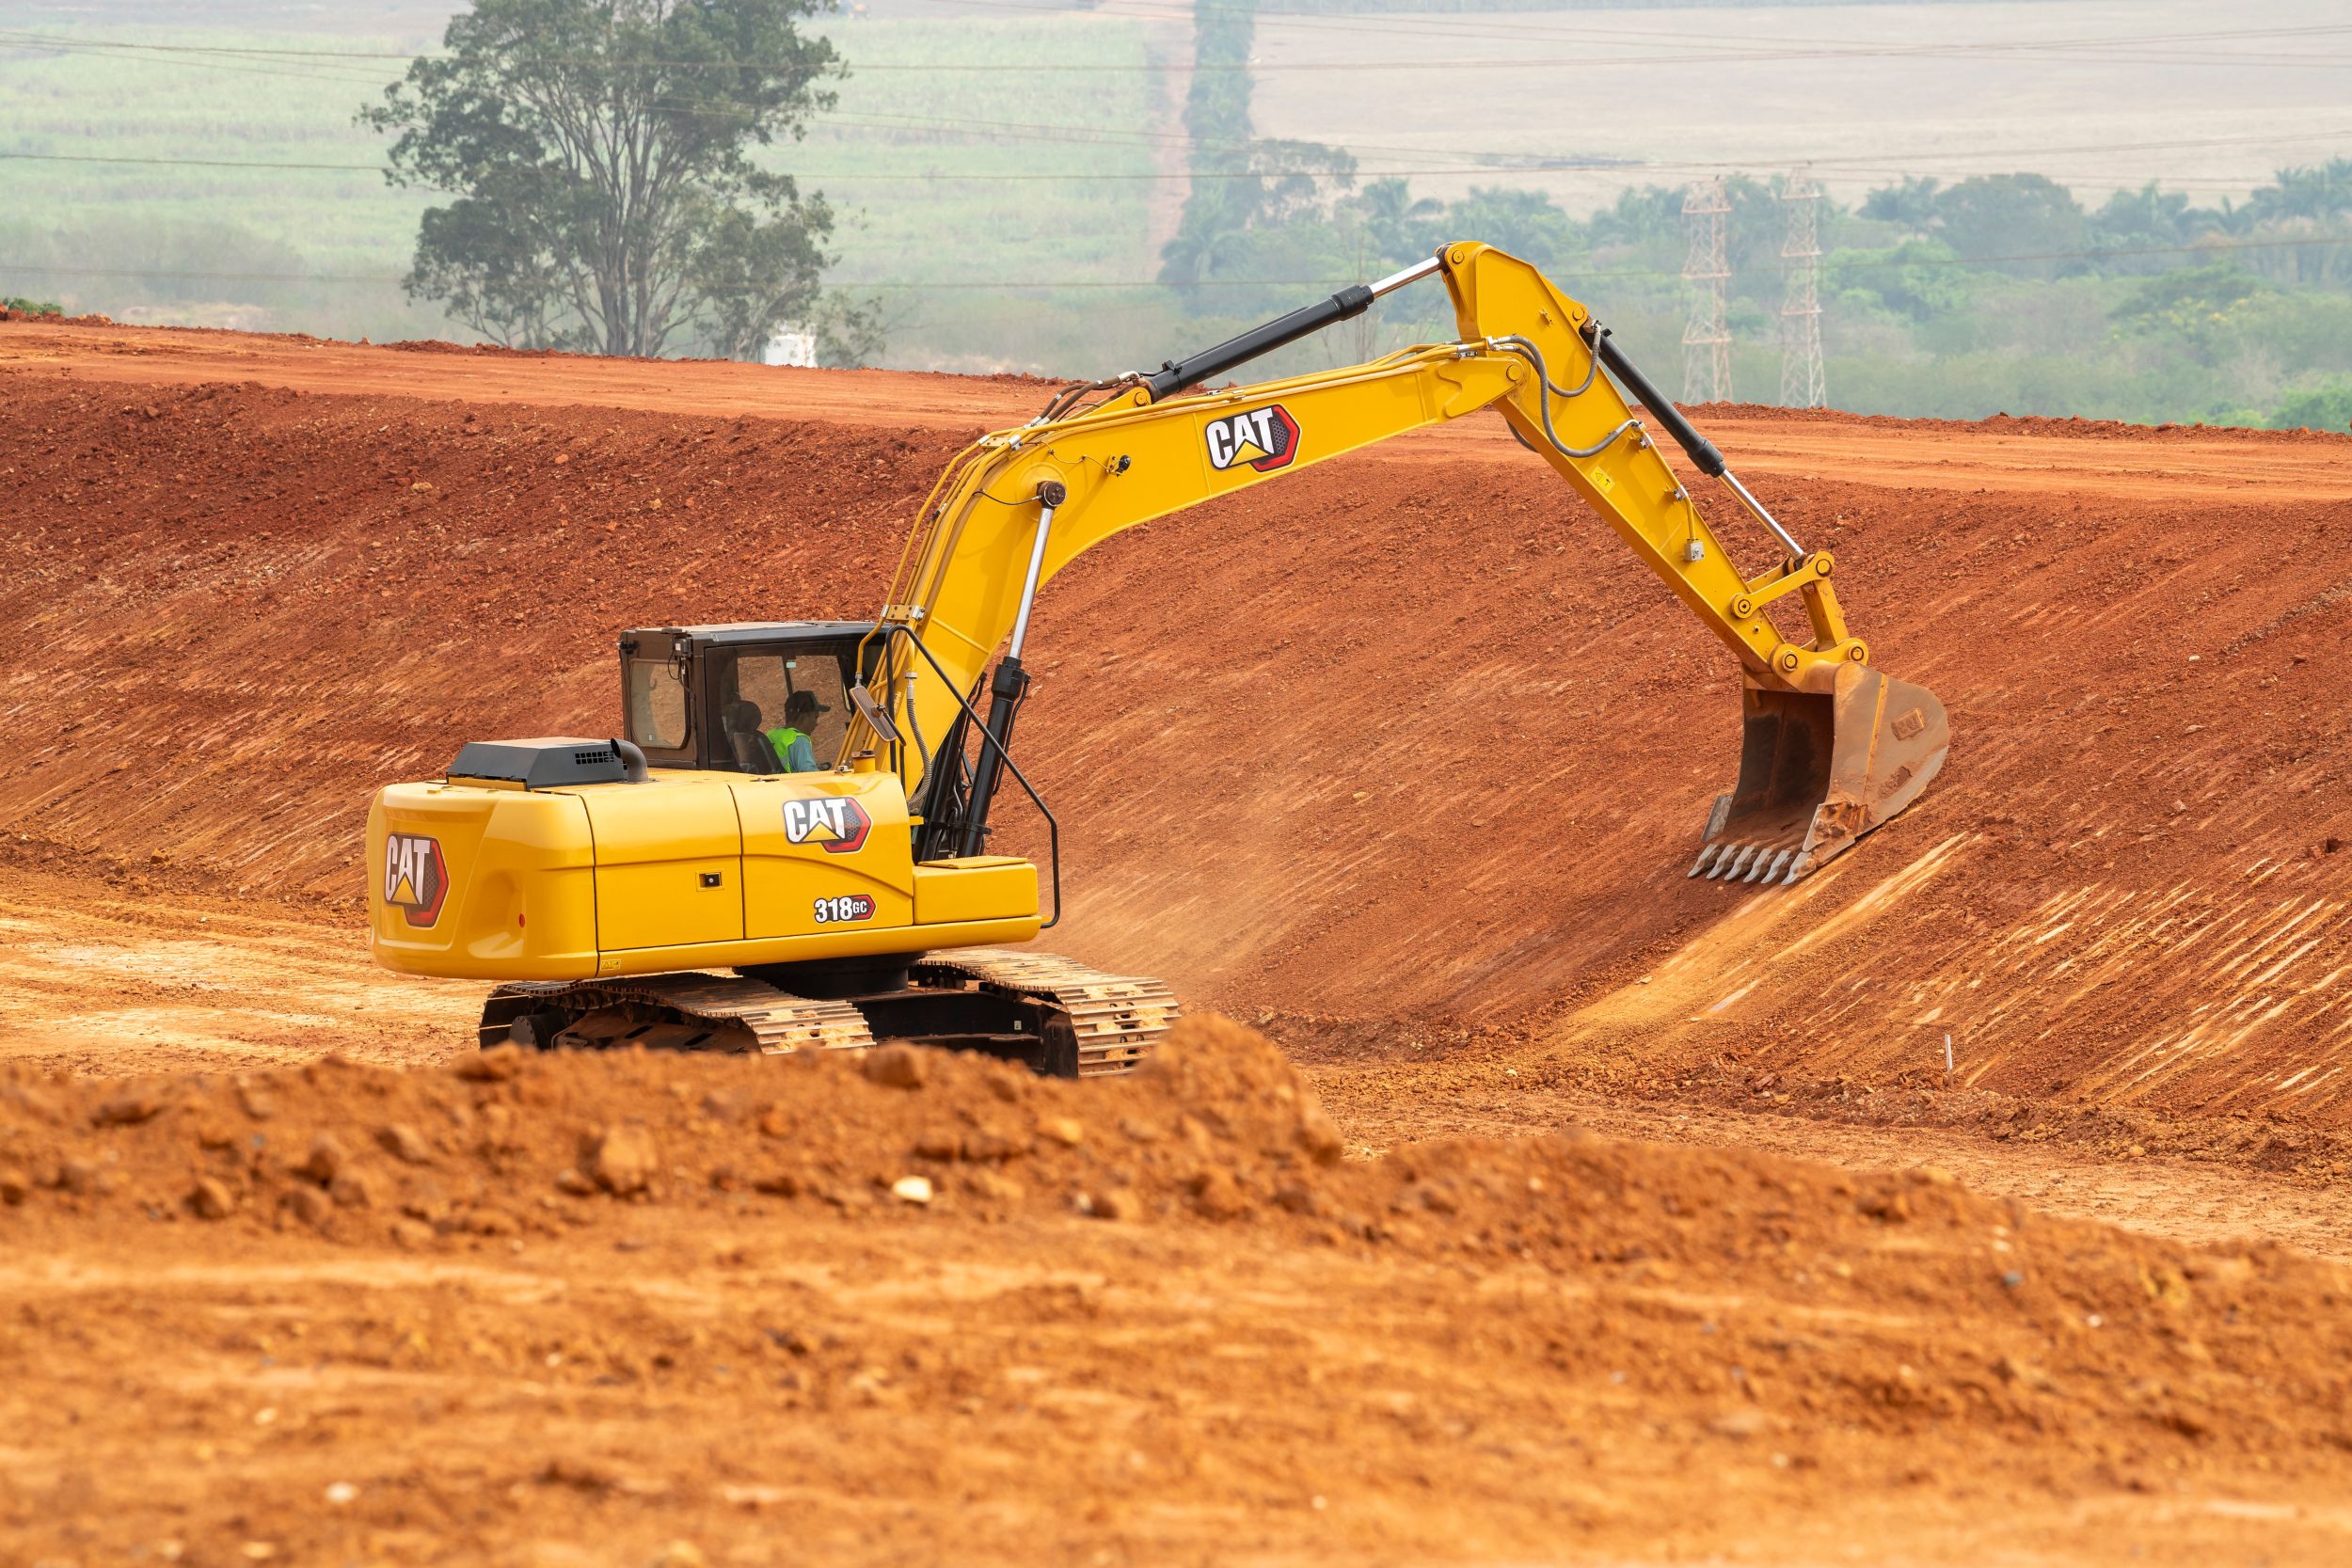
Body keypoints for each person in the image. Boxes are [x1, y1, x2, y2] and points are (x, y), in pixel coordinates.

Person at [766, 690, 827, 773]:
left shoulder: (771, 734)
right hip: (792, 785)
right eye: (815, 717)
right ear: (805, 718)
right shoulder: (799, 740)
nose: (817, 724)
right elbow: (811, 775)